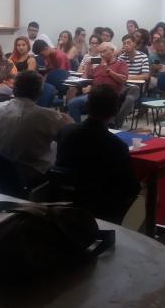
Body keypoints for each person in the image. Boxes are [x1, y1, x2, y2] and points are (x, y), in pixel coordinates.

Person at [57, 85, 140, 224]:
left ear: (87, 107)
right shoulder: (116, 146)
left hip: (65, 200)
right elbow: (130, 188)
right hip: (102, 209)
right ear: (115, 111)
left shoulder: (65, 132)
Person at [0, 70, 72, 187]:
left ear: (14, 89)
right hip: (31, 175)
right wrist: (69, 121)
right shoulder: (48, 116)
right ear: (40, 92)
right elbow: (71, 137)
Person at [67, 42, 128, 122]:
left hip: (109, 96)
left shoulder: (121, 64)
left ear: (113, 51)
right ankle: (78, 127)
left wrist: (109, 71)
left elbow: (123, 79)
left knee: (93, 107)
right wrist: (88, 66)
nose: (102, 54)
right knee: (72, 103)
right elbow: (86, 78)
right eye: (100, 52)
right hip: (94, 95)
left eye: (104, 51)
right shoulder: (98, 67)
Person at [116, 35, 150, 127]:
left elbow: (146, 76)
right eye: (124, 43)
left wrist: (128, 77)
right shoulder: (121, 57)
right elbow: (117, 74)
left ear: (134, 44)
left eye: (128, 43)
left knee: (130, 98)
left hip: (137, 86)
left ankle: (117, 123)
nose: (126, 45)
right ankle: (109, 120)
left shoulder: (143, 57)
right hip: (122, 85)